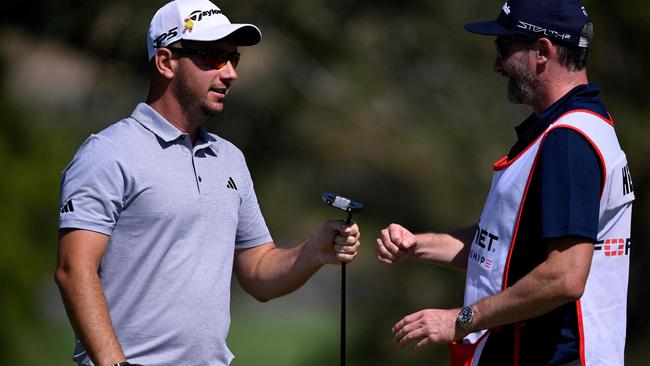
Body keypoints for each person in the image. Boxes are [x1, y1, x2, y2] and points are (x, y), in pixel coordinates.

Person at [54, 1, 361, 365]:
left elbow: (258, 271)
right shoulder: (108, 153)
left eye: (234, 58)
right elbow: (74, 270)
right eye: (214, 56)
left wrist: (314, 252)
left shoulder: (230, 159)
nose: (230, 72)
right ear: (166, 62)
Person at [376, 0, 634, 365]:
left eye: (505, 47)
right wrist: (418, 245)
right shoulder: (563, 131)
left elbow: (565, 276)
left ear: (542, 51)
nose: (498, 64)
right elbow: (506, 250)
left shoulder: (569, 140)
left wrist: (461, 320)